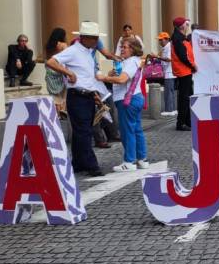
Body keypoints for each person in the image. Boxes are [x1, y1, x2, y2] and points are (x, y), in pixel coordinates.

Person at [46, 21, 109, 177]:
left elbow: (86, 75)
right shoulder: (73, 51)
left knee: (80, 132)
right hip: (77, 96)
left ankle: (78, 163)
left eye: (96, 38)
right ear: (84, 38)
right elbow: (51, 62)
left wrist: (94, 93)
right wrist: (68, 73)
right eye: (94, 38)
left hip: (87, 95)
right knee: (84, 131)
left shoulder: (88, 52)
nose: (96, 41)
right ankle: (91, 164)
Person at [97, 37, 149, 172]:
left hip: (127, 100)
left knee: (127, 131)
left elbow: (122, 79)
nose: (122, 49)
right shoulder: (133, 61)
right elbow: (122, 78)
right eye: (122, 47)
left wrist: (105, 77)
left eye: (124, 47)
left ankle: (129, 161)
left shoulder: (131, 62)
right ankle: (142, 159)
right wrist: (111, 75)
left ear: (132, 49)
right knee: (136, 129)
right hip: (135, 98)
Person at [171, 17, 197, 131]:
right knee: (184, 98)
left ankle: (187, 121)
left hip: (185, 71)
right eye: (186, 24)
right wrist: (193, 65)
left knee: (187, 97)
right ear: (181, 26)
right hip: (183, 71)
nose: (187, 26)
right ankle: (181, 123)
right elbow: (183, 56)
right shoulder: (178, 39)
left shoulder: (181, 38)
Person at [148, 32, 177, 116]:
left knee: (168, 92)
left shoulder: (168, 47)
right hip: (168, 72)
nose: (160, 42)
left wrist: (157, 57)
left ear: (167, 39)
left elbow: (168, 59)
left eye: (161, 40)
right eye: (159, 40)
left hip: (169, 72)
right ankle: (172, 109)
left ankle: (169, 110)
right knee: (170, 92)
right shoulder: (165, 47)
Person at [44, 28, 69, 113]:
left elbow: (47, 59)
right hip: (60, 71)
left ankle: (56, 114)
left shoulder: (47, 45)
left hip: (50, 71)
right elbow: (67, 59)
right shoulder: (63, 45)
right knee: (63, 96)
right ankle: (62, 113)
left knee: (54, 96)